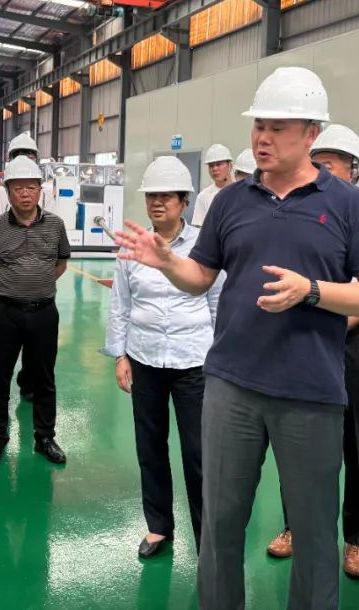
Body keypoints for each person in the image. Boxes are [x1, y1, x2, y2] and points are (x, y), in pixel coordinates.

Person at [116, 66, 359, 610]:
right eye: (258, 126)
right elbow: (201, 277)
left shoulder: (350, 206)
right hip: (231, 387)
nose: (263, 138)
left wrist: (312, 291)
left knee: (314, 532)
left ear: (311, 134)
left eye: (277, 128)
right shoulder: (231, 202)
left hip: (310, 393)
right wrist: (168, 262)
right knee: (221, 524)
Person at [266, 124, 359, 576]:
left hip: (349, 345)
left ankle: (356, 540)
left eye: (329, 164)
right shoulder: (299, 218)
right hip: (302, 343)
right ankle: (295, 526)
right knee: (297, 443)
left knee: (355, 444)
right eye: (315, 162)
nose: (319, 171)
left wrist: (330, 315)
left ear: (354, 171)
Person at [102, 156, 221, 559]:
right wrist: (120, 355)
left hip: (194, 363)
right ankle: (158, 527)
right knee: (150, 447)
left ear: (184, 200)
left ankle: (207, 537)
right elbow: (120, 304)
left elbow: (217, 304)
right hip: (145, 359)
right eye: (151, 195)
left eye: (166, 196)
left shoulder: (204, 246)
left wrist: (218, 358)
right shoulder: (134, 246)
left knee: (199, 453)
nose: (157, 202)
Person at [0, 156, 71, 469]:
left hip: (44, 314)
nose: (25, 193)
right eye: (18, 188)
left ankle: (45, 438)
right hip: (5, 314)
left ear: (40, 191)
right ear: (8, 192)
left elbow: (60, 264)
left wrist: (36, 286)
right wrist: (10, 287)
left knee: (44, 379)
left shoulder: (55, 226)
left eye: (31, 187)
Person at [0, 131, 54, 404]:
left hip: (38, 283)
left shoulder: (45, 194)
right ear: (9, 158)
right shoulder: (0, 194)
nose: (24, 158)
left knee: (36, 344)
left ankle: (29, 383)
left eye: (29, 154)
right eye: (18, 154)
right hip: (6, 280)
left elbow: (52, 233)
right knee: (1, 344)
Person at [0, 132, 54, 221]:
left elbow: (52, 225)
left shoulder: (47, 194)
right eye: (19, 157)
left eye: (29, 157)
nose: (23, 162)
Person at [191, 144, 233, 227]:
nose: (215, 169)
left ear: (230, 166)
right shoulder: (203, 197)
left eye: (219, 164)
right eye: (211, 165)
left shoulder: (241, 192)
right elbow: (199, 228)